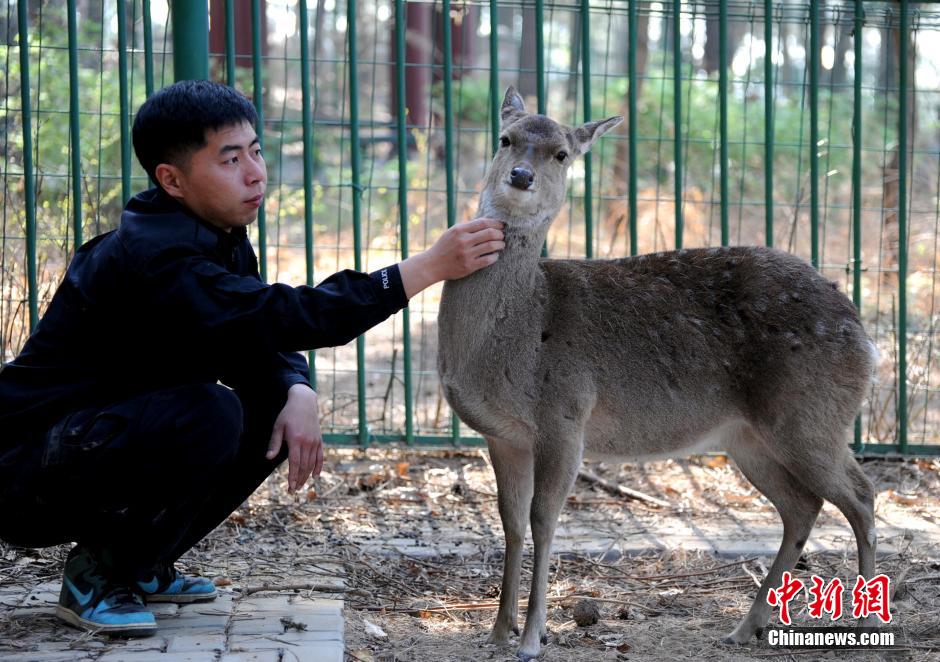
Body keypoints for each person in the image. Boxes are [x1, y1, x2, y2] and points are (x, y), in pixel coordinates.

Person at [0, 80, 504, 637]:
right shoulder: (156, 261)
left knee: (267, 406)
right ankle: (94, 577)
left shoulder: (216, 236)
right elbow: (280, 315)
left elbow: (252, 335)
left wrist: (297, 388)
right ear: (171, 179)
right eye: (231, 159)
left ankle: (139, 563)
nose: (256, 172)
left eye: (256, 151)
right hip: (24, 471)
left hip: (92, 445)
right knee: (208, 411)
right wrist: (423, 268)